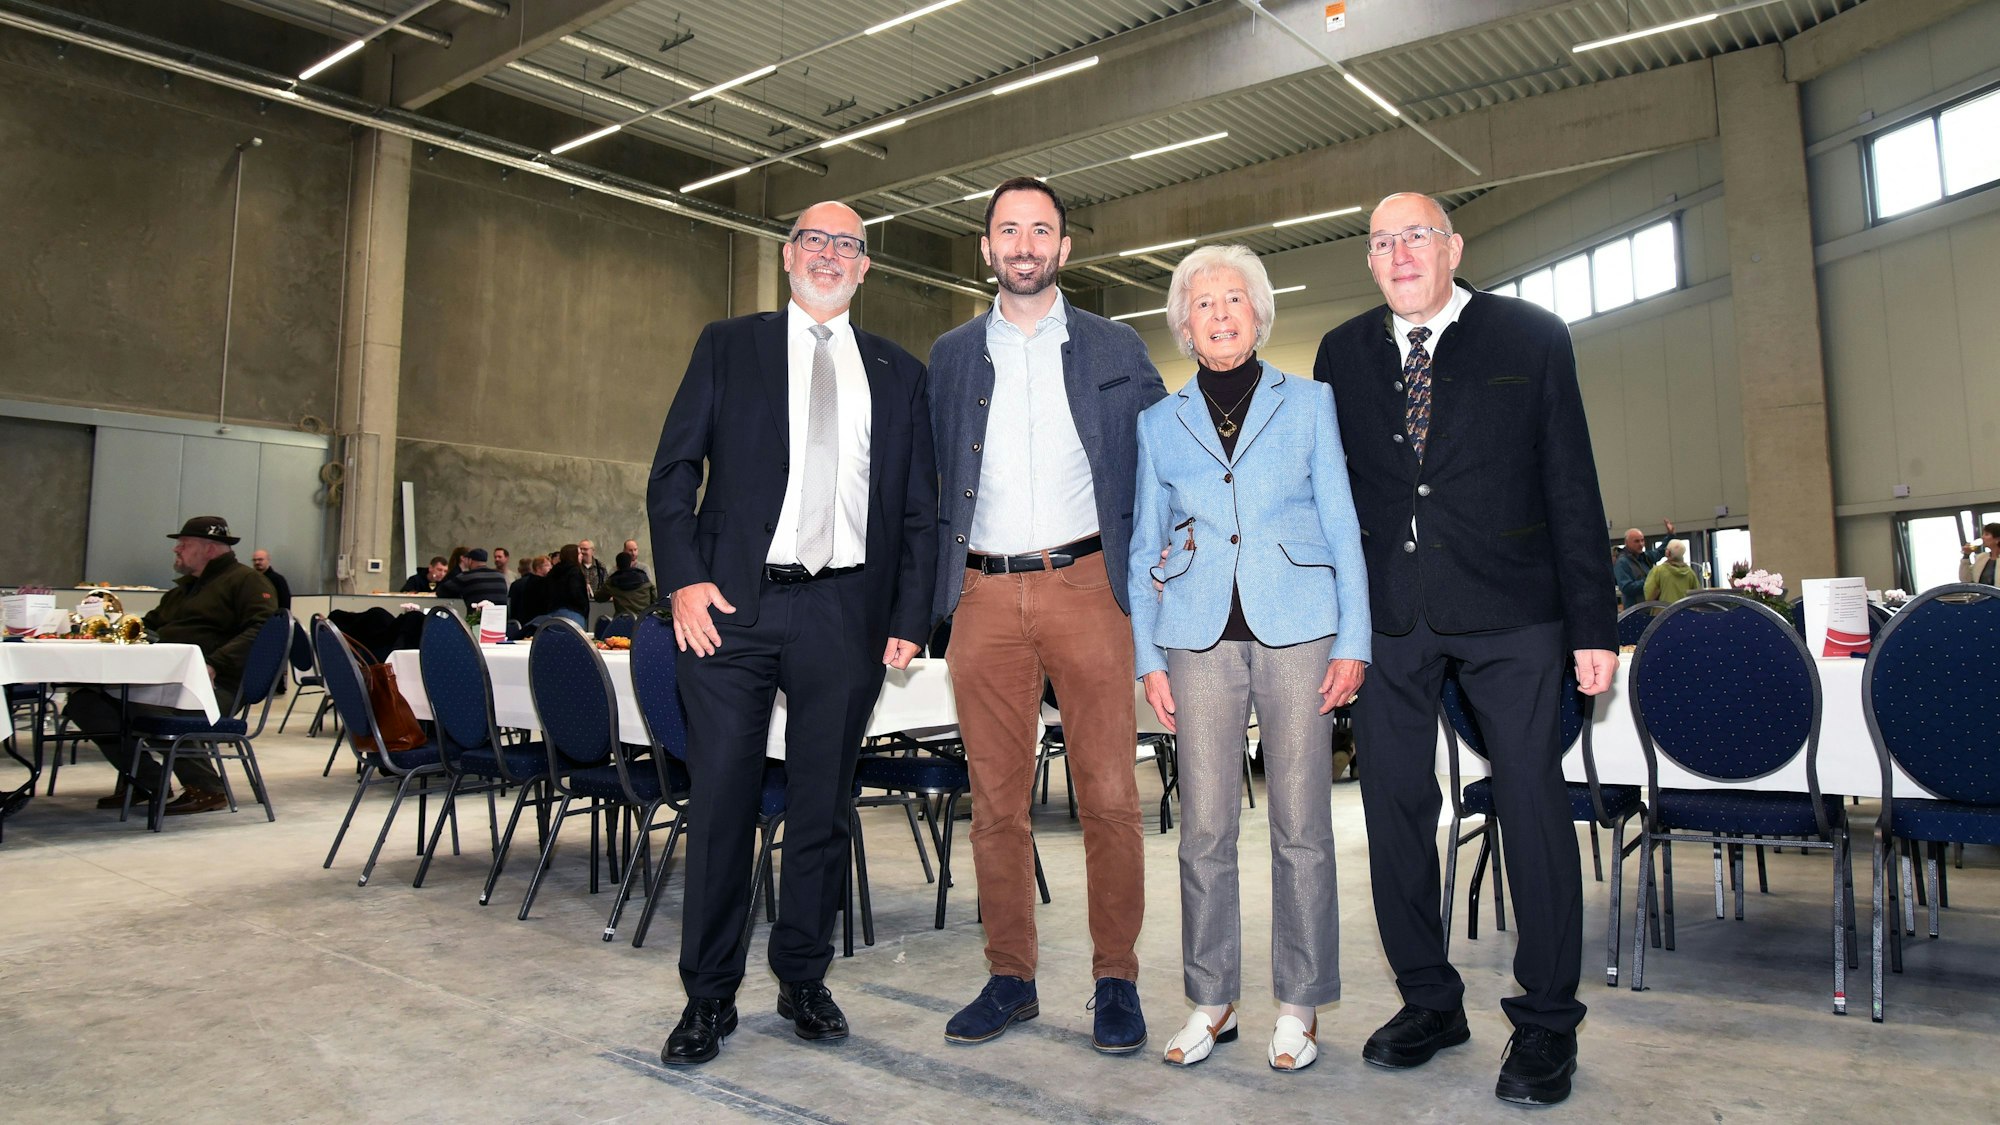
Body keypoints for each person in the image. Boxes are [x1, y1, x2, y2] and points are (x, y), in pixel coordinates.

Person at [1313, 193, 1616, 1106]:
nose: (1399, 253)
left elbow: (1572, 480)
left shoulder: (1531, 336)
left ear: (1452, 247)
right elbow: (1335, 495)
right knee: (1392, 807)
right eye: (1381, 242)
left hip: (1513, 611)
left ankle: (1547, 1022)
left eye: (1416, 236)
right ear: (1368, 262)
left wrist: (1593, 624)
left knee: (1529, 802)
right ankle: (1429, 1000)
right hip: (1390, 618)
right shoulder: (1342, 353)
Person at [647, 200, 937, 1068]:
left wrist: (909, 615)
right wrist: (682, 579)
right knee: (725, 803)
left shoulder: (899, 371)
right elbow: (673, 468)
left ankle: (804, 976)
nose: (829, 254)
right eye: (814, 239)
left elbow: (918, 509)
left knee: (821, 807)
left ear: (865, 267)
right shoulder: (726, 345)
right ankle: (707, 996)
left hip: (844, 612)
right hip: (732, 608)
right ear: (786, 256)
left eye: (847, 244)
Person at [929, 176, 1164, 1055]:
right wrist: (929, 602)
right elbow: (928, 483)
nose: (1024, 244)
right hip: (982, 597)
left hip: (1088, 585)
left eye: (1041, 230)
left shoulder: (1116, 346)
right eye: (1007, 230)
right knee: (996, 805)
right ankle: (1010, 975)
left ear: (1065, 248)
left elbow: (1160, 464)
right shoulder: (951, 355)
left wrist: (1163, 573)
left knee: (1108, 795)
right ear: (985, 248)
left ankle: (1116, 979)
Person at [1127, 245, 1370, 1071]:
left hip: (1300, 628)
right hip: (1195, 637)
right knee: (1204, 828)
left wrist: (1355, 637)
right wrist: (1146, 657)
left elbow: (1343, 525)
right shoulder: (1159, 424)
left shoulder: (1308, 404)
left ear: (1260, 314)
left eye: (1236, 298)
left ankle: (1299, 1004)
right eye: (1204, 302)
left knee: (1303, 823)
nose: (1221, 312)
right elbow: (1141, 546)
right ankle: (1213, 998)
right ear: (1184, 324)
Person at [62, 516, 277, 815]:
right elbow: (149, 624)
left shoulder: (248, 581)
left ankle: (207, 788)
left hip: (219, 684)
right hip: (169, 679)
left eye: (184, 545)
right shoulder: (184, 590)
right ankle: (144, 781)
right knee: (85, 702)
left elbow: (264, 629)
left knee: (144, 706)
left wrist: (215, 663)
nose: (176, 550)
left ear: (210, 548)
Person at [1613, 522, 1674, 609]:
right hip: (1635, 611)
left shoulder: (1645, 557)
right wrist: (1650, 581)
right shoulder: (1622, 563)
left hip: (1650, 607)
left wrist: (1670, 535)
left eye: (1642, 540)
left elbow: (1660, 552)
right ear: (1626, 543)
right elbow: (1626, 588)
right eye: (1636, 541)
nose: (1641, 544)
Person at [436, 547, 510, 611]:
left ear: (470, 560)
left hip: (476, 622)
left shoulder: (466, 577)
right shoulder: (500, 577)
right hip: (500, 622)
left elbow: (441, 592)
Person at [544, 544, 590, 629]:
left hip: (553, 613)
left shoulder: (553, 572)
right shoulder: (575, 572)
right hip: (573, 613)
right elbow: (576, 593)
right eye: (579, 553)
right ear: (573, 555)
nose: (581, 556)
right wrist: (584, 608)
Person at [1643, 539, 1702, 604]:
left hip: (1664, 612)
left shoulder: (1658, 571)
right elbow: (1697, 596)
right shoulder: (1690, 573)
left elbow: (1649, 596)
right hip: (1684, 612)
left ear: (1667, 553)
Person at [601, 551, 657, 617]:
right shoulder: (644, 578)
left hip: (623, 621)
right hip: (643, 619)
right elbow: (655, 598)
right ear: (631, 564)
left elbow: (599, 597)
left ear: (617, 566)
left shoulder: (612, 582)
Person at [508, 554, 549, 626]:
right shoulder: (540, 584)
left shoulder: (517, 584)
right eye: (547, 565)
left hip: (521, 622)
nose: (551, 568)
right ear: (538, 568)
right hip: (535, 622)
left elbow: (512, 606)